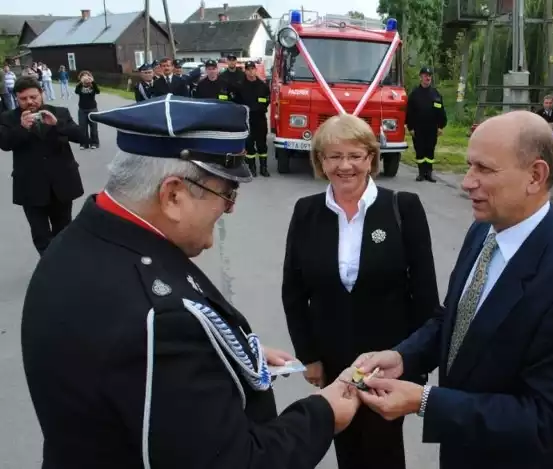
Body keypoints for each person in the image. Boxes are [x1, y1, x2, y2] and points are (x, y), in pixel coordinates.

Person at [21, 94, 360, 468]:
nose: (229, 208)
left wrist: (224, 356)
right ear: (173, 195)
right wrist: (323, 413)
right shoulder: (161, 319)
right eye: (227, 193)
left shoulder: (82, 240)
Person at [354, 110, 553, 469]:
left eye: (484, 169)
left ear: (535, 176)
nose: (466, 181)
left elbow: (548, 418)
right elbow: (454, 316)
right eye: (469, 166)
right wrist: (404, 357)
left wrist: (426, 401)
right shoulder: (485, 231)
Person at [282, 114, 441, 469]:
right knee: (345, 444)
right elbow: (293, 290)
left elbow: (425, 295)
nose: (345, 166)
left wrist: (414, 363)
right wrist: (309, 355)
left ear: (371, 157)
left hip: (389, 363)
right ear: (320, 161)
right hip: (333, 359)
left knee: (383, 450)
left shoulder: (403, 208)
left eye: (355, 155)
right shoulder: (306, 212)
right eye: (334, 156)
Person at [0, 76, 86, 256]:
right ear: (16, 98)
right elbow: (5, 144)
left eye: (33, 97)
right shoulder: (8, 118)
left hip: (61, 184)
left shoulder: (59, 113)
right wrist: (22, 128)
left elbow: (82, 136)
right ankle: (48, 268)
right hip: (30, 187)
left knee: (63, 231)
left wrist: (57, 125)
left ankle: (61, 267)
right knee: (41, 235)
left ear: (42, 94)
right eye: (23, 99)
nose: (29, 102)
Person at [405, 66, 447, 182]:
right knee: (420, 150)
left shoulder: (436, 94)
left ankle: (429, 173)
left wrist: (441, 126)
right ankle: (421, 173)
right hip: (418, 128)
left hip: (432, 128)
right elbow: (409, 112)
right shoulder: (415, 94)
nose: (427, 78)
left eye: (429, 76)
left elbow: (441, 111)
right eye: (425, 76)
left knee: (430, 150)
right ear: (420, 77)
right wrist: (410, 127)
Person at [234, 61, 271, 177]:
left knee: (262, 145)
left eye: (252, 69)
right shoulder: (240, 86)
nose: (251, 71)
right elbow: (236, 102)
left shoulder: (263, 86)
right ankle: (252, 168)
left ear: (256, 70)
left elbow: (267, 100)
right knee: (249, 144)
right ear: (245, 71)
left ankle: (264, 168)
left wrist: (259, 107)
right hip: (247, 120)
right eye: (248, 69)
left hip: (259, 118)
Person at [75, 70, 100, 149]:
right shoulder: (79, 86)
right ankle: (84, 144)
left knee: (94, 127)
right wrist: (80, 83)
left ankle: (94, 143)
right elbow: (76, 91)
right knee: (82, 127)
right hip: (82, 109)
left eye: (87, 76)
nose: (85, 78)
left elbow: (98, 91)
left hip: (92, 109)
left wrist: (93, 82)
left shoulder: (93, 86)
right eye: (83, 76)